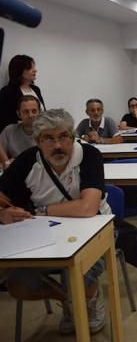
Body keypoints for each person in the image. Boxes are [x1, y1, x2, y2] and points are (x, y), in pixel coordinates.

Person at [0, 109, 111, 335]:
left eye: (63, 137)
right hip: (42, 235)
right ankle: (74, 302)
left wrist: (38, 211)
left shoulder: (89, 155)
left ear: (72, 137)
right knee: (17, 283)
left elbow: (87, 208)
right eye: (49, 139)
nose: (57, 145)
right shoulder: (27, 161)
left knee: (80, 272)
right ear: (37, 141)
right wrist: (3, 214)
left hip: (94, 230)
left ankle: (87, 299)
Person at [0, 55, 46, 133]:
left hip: (37, 135)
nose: (35, 71)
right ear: (19, 71)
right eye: (30, 68)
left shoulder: (36, 89)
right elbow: (4, 120)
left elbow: (43, 112)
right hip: (18, 137)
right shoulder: (7, 92)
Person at [0, 95, 40, 167]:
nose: (30, 115)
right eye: (26, 112)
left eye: (34, 111)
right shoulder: (9, 131)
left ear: (39, 113)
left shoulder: (47, 132)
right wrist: (6, 162)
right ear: (19, 114)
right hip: (15, 172)